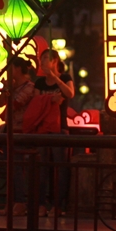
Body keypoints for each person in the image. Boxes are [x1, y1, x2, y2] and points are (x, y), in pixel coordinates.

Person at [33, 48, 75, 217]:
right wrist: (51, 99)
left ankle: (58, 205)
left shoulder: (65, 78)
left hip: (60, 128)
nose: (42, 62)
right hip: (42, 129)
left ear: (54, 61)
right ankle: (41, 204)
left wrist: (55, 78)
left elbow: (70, 93)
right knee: (41, 168)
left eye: (45, 58)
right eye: (41, 59)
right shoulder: (39, 83)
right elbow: (36, 103)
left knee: (60, 168)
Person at [2, 57, 35, 217]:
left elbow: (15, 104)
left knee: (17, 168)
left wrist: (9, 90)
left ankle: (20, 202)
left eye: (11, 68)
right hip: (10, 129)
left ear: (17, 69)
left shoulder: (29, 87)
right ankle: (12, 201)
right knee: (10, 168)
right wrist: (5, 89)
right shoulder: (13, 87)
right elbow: (2, 102)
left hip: (21, 131)